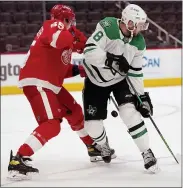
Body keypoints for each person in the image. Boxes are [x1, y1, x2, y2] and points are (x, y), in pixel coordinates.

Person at [8, 4, 116, 180]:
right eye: (70, 20)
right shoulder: (53, 25)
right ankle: (19, 158)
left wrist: (83, 65)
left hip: (50, 82)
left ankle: (91, 147)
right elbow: (63, 40)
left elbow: (60, 68)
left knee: (75, 112)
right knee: (52, 124)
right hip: (39, 82)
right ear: (63, 19)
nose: (72, 24)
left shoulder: (59, 37)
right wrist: (77, 42)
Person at [82, 4, 159, 172]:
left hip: (119, 81)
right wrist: (112, 59)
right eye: (139, 25)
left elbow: (136, 72)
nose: (141, 29)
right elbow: (89, 50)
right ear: (129, 22)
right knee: (92, 127)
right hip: (95, 81)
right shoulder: (107, 26)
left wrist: (142, 97)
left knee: (130, 113)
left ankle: (146, 151)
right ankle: (104, 146)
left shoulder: (139, 43)